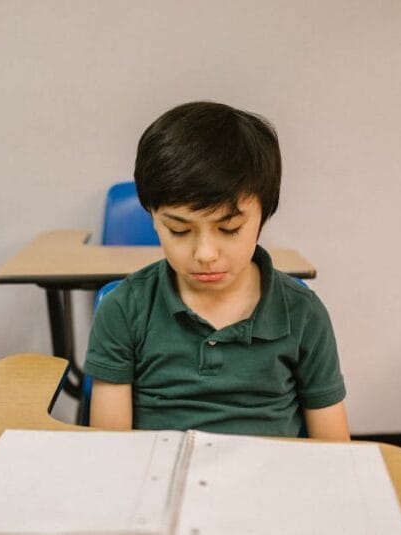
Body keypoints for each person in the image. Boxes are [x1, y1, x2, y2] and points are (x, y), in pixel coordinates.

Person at [84, 101, 349, 440]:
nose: (205, 254)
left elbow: (335, 451)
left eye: (229, 229)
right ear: (152, 216)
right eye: (179, 231)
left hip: (268, 484)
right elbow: (111, 449)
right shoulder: (124, 309)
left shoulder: (303, 314)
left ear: (263, 218)